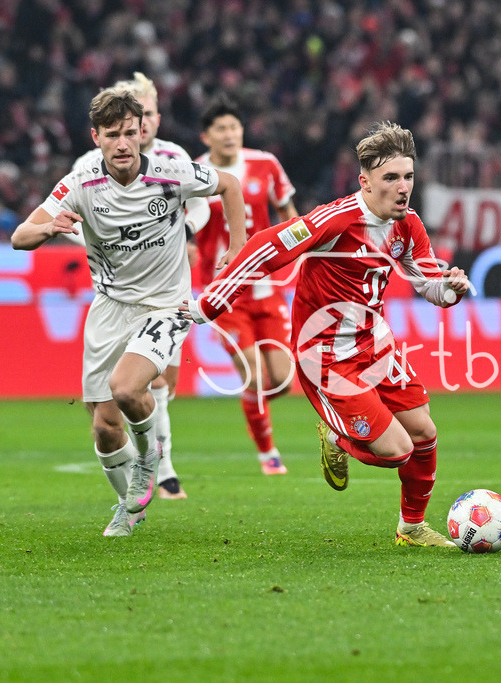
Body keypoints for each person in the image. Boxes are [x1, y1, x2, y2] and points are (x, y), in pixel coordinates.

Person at [184, 122, 470, 547]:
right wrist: (211, 302)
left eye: (408, 176)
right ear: (366, 181)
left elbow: (429, 282)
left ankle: (411, 528)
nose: (402, 186)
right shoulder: (334, 220)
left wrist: (451, 289)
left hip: (375, 345)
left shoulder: (408, 226)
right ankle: (336, 435)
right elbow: (267, 246)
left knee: (424, 433)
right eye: (390, 177)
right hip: (327, 357)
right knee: (397, 450)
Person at [12, 87, 246, 537]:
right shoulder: (79, 184)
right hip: (109, 306)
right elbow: (20, 236)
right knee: (102, 427)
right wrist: (46, 228)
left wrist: (237, 244)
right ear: (95, 137)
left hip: (165, 305)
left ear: (143, 133)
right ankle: (128, 506)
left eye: (131, 133)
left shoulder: (170, 173)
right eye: (113, 134)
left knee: (126, 388)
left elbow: (228, 185)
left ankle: (149, 462)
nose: (123, 143)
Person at [71, 72, 209, 500]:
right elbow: (75, 218)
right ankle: (138, 485)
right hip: (115, 292)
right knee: (104, 412)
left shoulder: (173, 158)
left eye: (147, 115)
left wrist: (181, 229)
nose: (142, 125)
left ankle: (163, 472)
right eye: (135, 117)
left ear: (155, 118)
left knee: (157, 383)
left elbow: (204, 203)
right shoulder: (88, 169)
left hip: (165, 288)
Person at [192, 96, 299, 475]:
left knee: (283, 380)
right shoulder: (194, 173)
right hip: (224, 292)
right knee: (253, 375)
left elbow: (286, 210)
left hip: (267, 287)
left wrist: (300, 246)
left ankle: (261, 418)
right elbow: (185, 226)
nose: (229, 134)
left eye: (234, 126)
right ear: (206, 136)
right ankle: (268, 454)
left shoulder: (265, 163)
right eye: (220, 128)